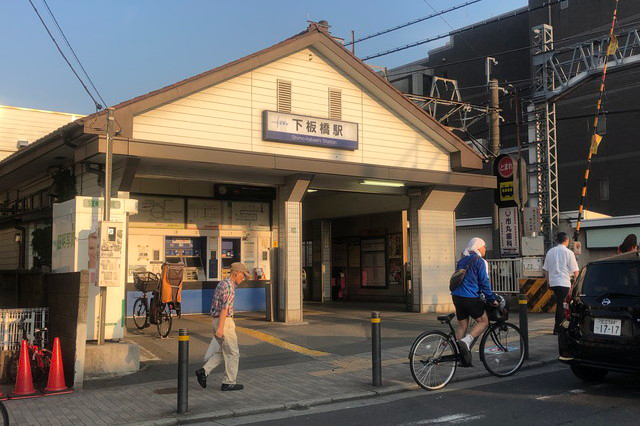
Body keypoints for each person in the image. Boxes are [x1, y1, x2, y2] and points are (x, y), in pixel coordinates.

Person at [195, 262, 251, 391]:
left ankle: (203, 371)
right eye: (243, 275)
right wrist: (221, 328)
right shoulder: (229, 287)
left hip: (216, 320)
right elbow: (225, 309)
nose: (243, 278)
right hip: (224, 322)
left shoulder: (222, 283)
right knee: (233, 353)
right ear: (236, 273)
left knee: (223, 350)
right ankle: (229, 382)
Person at [451, 237, 498, 367]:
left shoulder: (461, 260)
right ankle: (467, 341)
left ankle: (463, 358)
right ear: (478, 247)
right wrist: (491, 299)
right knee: (483, 321)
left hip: (456, 296)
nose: (485, 249)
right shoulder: (480, 261)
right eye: (484, 246)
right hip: (470, 297)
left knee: (462, 326)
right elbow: (484, 282)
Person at [543, 232, 580, 335]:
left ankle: (561, 327)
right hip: (564, 282)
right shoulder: (568, 252)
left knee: (560, 304)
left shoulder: (550, 252)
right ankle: (559, 328)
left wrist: (548, 282)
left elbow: (546, 269)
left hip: (553, 283)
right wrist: (575, 284)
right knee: (562, 305)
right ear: (566, 240)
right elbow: (576, 271)